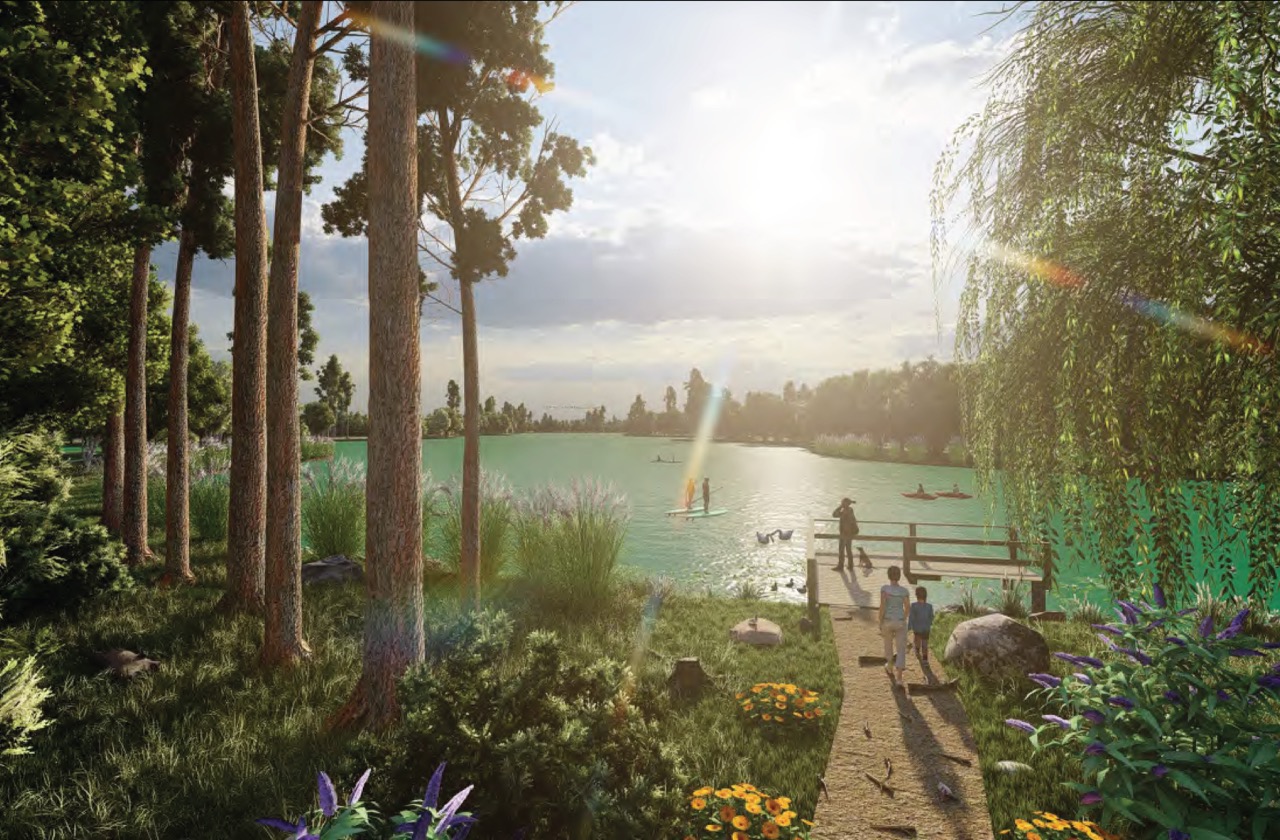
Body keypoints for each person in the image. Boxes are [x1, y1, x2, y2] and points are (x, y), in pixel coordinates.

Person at [879, 566, 911, 689]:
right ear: (899, 576)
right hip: (900, 622)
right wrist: (904, 618)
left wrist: (879, 621)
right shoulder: (904, 591)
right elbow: (907, 607)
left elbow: (882, 606)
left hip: (887, 621)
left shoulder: (884, 589)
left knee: (887, 644)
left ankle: (890, 665)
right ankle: (899, 678)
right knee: (901, 648)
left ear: (888, 576)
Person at [832, 497, 859, 571]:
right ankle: (850, 566)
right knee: (848, 550)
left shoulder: (845, 511)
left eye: (842, 503)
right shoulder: (850, 510)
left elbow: (834, 514)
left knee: (841, 550)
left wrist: (840, 507)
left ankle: (841, 566)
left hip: (845, 534)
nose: (841, 504)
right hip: (849, 534)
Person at [908, 585, 935, 662]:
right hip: (926, 628)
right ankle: (925, 659)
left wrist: (909, 627)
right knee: (925, 644)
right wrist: (929, 623)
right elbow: (932, 617)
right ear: (925, 596)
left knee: (917, 640)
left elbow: (911, 617)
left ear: (916, 595)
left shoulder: (914, 606)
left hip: (917, 628)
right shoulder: (929, 606)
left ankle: (917, 650)